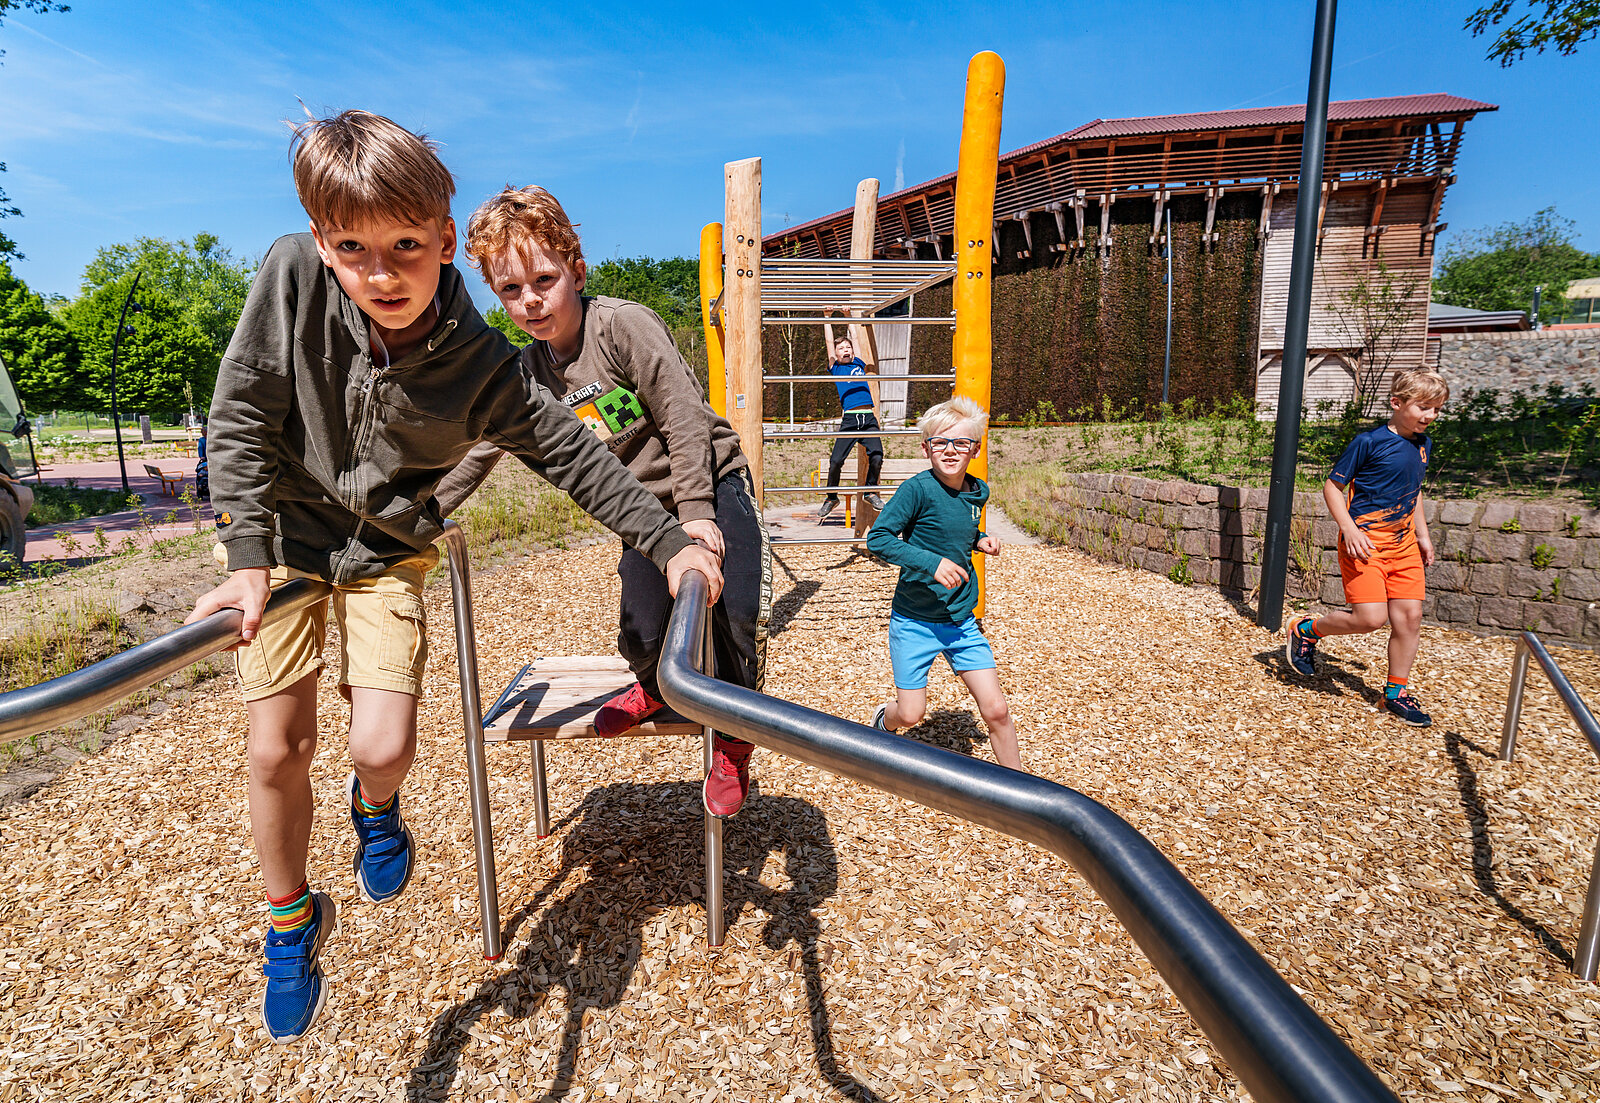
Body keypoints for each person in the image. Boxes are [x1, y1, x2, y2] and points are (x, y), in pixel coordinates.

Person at [184, 112, 722, 1045]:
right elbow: (238, 411)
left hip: (387, 545)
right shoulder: (292, 278)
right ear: (321, 237)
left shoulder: (482, 361)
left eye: (405, 247)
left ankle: (375, 808)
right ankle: (290, 920)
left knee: (380, 746)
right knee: (275, 746)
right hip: (284, 539)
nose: (381, 274)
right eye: (353, 248)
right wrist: (243, 555)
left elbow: (571, 452)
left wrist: (671, 537)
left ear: (443, 242)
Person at [433, 185, 770, 821]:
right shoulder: (525, 374)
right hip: (641, 511)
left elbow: (682, 414)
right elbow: (481, 451)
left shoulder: (620, 327)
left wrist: (698, 508)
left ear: (576, 272)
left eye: (544, 279)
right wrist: (424, 512)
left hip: (711, 483)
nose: (530, 300)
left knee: (732, 610)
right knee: (643, 628)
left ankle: (732, 733)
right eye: (510, 290)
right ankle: (654, 686)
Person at [1285, 368, 1449, 727]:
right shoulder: (1369, 442)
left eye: (1437, 409)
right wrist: (1350, 529)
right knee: (1370, 619)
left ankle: (1395, 695)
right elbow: (1332, 488)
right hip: (1365, 545)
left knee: (1410, 618)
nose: (1430, 416)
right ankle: (1305, 630)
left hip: (1404, 545)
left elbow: (1414, 491)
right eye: (1424, 407)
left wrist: (1422, 535)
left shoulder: (1423, 444)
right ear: (1396, 403)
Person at [864, 396, 1021, 770]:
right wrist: (932, 563)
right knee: (912, 713)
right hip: (914, 620)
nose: (950, 451)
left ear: (975, 449)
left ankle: (1023, 793)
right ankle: (882, 721)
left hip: (960, 621)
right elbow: (879, 538)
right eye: (940, 442)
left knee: (996, 709)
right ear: (925, 448)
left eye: (961, 443)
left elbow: (955, 529)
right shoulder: (916, 490)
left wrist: (978, 539)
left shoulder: (976, 492)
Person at [817, 330, 884, 521]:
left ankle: (870, 492)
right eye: (841, 348)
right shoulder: (836, 368)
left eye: (848, 347)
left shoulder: (858, 363)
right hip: (850, 420)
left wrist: (849, 316)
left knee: (877, 456)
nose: (846, 349)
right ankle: (831, 498)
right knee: (836, 461)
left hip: (869, 418)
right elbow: (829, 341)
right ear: (836, 355)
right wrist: (827, 316)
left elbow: (856, 338)